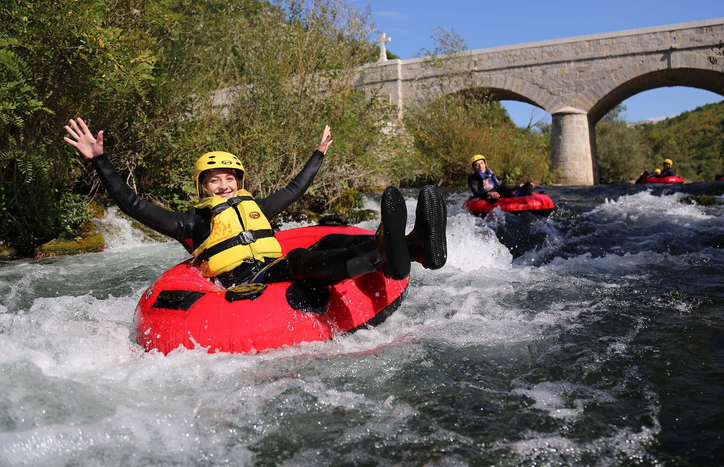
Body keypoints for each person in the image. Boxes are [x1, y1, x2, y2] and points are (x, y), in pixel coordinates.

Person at [64, 117, 447, 299]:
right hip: (251, 285)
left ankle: (412, 247)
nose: (224, 184)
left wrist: (319, 152)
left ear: (240, 182)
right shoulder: (190, 222)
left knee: (325, 239)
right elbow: (131, 204)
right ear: (203, 188)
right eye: (215, 180)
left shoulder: (256, 207)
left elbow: (295, 189)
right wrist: (100, 160)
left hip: (275, 268)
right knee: (298, 262)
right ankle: (384, 253)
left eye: (230, 178)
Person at [467, 154, 534, 199]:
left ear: (485, 164)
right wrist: (489, 193)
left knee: (528, 185)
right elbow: (476, 194)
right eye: (476, 165)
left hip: (500, 193)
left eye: (481, 163)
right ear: (474, 168)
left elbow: (500, 187)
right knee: (502, 187)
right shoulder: (474, 179)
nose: (480, 166)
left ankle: (528, 202)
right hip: (489, 198)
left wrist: (518, 186)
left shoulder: (489, 174)